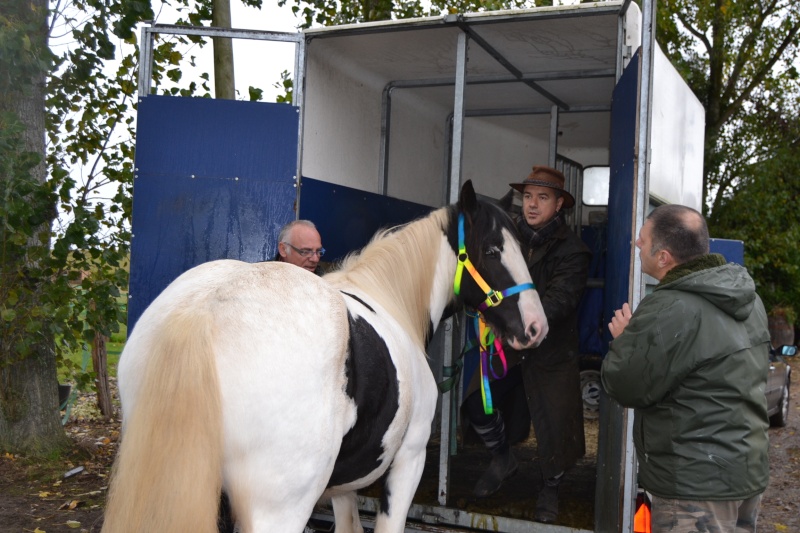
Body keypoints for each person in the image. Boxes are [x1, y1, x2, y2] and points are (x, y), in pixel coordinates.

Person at [601, 204, 770, 533]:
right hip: (745, 474)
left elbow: (624, 386)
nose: (637, 244)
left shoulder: (668, 308)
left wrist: (624, 341)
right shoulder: (749, 299)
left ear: (663, 257)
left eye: (643, 239)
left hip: (695, 487)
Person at [463, 165, 591, 524]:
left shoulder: (574, 251)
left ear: (559, 205)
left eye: (543, 198)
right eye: (528, 197)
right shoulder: (503, 234)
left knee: (554, 429)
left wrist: (517, 321)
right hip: (506, 347)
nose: (532, 205)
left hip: (550, 354)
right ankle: (502, 457)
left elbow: (562, 301)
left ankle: (550, 487)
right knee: (477, 405)